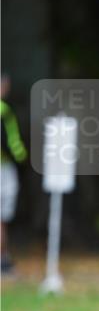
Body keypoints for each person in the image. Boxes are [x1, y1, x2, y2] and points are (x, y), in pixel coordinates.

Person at [1, 74, 27, 275]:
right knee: (2, 217)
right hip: (4, 169)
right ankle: (2, 258)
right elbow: (11, 142)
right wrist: (22, 158)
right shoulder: (4, 110)